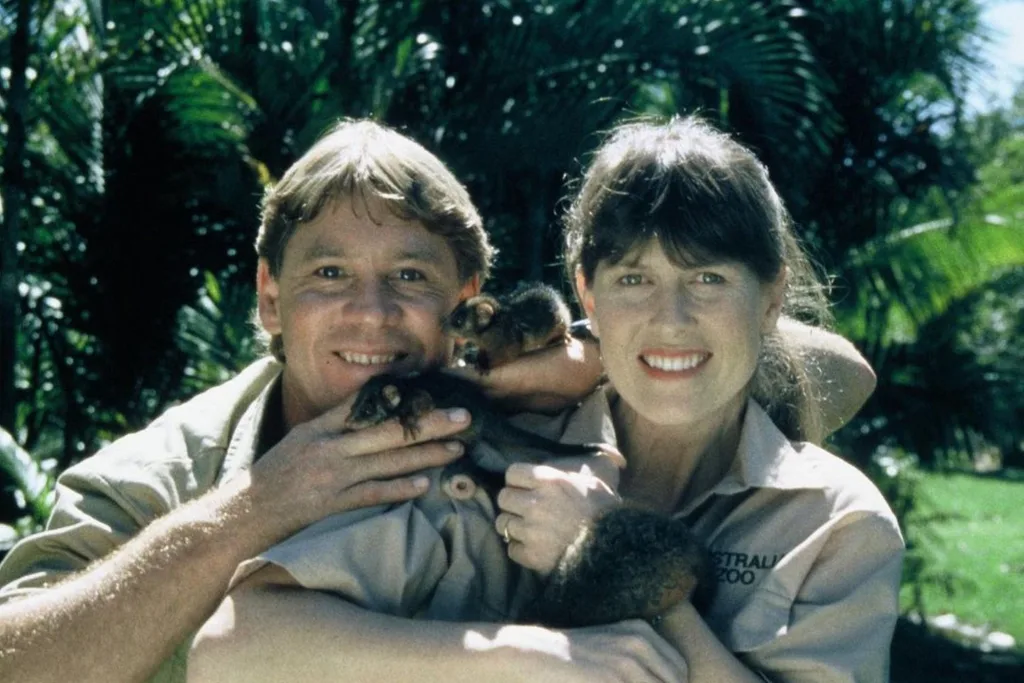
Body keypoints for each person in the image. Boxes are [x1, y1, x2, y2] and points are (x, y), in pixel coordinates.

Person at [184, 117, 897, 683]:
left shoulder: (833, 524)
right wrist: (526, 656)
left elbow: (847, 370)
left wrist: (604, 545)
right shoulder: (493, 451)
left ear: (772, 296)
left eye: (708, 279)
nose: (671, 319)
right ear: (587, 295)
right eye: (632, 280)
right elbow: (230, 650)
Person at [0, 120, 609, 683]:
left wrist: (596, 360)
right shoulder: (167, 471)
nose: (372, 313)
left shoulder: (544, 412)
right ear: (270, 297)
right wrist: (254, 509)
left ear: (466, 298)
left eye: (410, 277)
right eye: (329, 274)